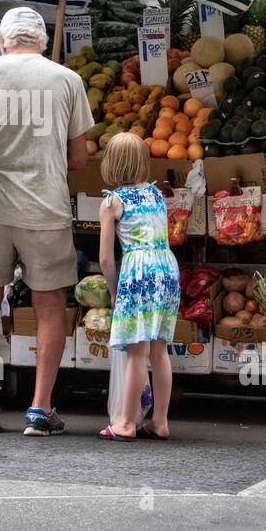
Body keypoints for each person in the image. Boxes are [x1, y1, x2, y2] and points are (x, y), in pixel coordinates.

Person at [0, 6, 94, 436]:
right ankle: (40, 409)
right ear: (42, 42)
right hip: (44, 210)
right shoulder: (67, 80)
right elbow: (79, 157)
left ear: (5, 40)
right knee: (48, 307)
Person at [96, 132, 179, 441]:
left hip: (139, 273)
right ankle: (160, 421)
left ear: (111, 164)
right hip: (167, 269)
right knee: (159, 349)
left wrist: (115, 290)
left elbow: (105, 258)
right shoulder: (156, 194)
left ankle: (126, 422)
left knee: (136, 351)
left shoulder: (112, 202)